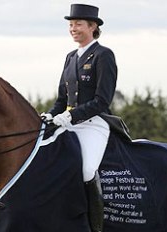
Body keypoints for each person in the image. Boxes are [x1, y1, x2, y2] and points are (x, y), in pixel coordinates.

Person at [42, 4, 117, 232]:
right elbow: (61, 98)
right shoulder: (70, 57)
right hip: (68, 123)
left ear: (92, 26)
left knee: (86, 170)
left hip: (94, 124)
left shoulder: (103, 55)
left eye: (78, 24)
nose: (73, 28)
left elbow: (102, 101)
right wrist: (50, 115)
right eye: (71, 25)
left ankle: (95, 226)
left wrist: (71, 116)